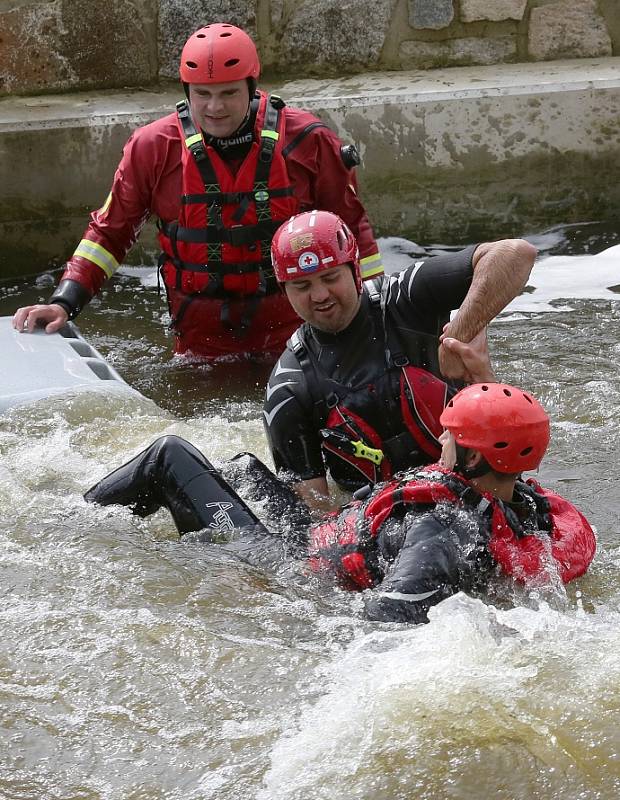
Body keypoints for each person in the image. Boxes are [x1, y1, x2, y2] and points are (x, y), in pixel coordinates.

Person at [12, 24, 382, 360]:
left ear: (252, 89)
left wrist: (379, 315)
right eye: (201, 94)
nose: (214, 107)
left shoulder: (308, 141)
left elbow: (351, 232)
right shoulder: (153, 147)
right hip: (199, 345)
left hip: (298, 336)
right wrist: (64, 303)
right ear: (186, 91)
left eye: (228, 93)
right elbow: (109, 234)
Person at [84, 383, 596, 624]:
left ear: (473, 456)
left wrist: (273, 597)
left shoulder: (440, 528)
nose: (440, 440)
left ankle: (70, 523)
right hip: (319, 538)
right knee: (241, 464)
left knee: (169, 456)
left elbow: (387, 617)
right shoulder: (526, 505)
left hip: (286, 568)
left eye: (450, 435)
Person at [262, 210, 538, 509]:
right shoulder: (288, 387)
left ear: (355, 270)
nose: (319, 295)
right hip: (382, 522)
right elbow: (313, 512)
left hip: (473, 486)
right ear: (284, 291)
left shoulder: (405, 297)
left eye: (330, 278)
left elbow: (516, 253)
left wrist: (456, 337)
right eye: (302, 286)